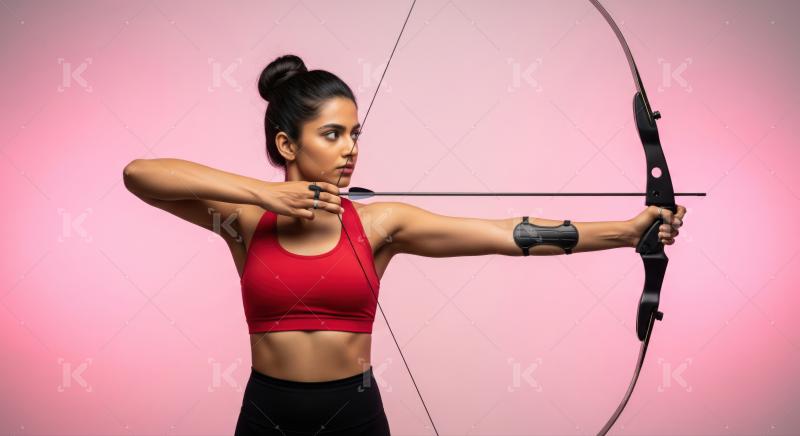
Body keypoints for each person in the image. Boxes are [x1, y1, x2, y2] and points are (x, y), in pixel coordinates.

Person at [122, 54, 687, 435]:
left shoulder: (378, 224)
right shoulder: (244, 220)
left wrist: (628, 232)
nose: (350, 150)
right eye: (332, 134)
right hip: (268, 410)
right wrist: (265, 195)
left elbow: (505, 235)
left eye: (355, 133)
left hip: (354, 411)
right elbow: (140, 174)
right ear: (285, 144)